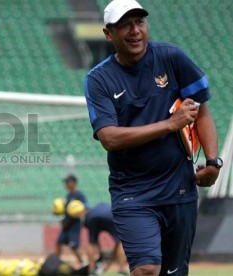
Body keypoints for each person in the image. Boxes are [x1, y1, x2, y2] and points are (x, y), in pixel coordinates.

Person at [84, 0, 222, 275]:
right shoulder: (99, 79)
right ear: (108, 34)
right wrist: (170, 124)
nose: (135, 30)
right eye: (125, 25)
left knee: (174, 273)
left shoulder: (172, 57)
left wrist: (212, 162)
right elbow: (109, 138)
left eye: (140, 22)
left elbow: (202, 112)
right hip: (133, 193)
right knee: (147, 269)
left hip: (179, 189)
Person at [84, 203, 127, 275]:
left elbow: (94, 241)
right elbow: (118, 242)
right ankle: (122, 269)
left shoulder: (91, 211)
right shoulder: (109, 209)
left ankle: (91, 268)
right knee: (121, 242)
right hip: (111, 217)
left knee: (91, 242)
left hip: (92, 217)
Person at [56, 174, 88, 266]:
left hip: (74, 225)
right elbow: (68, 210)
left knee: (73, 246)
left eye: (67, 182)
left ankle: (83, 264)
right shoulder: (68, 195)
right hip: (67, 224)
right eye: (65, 182)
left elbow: (86, 209)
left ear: (73, 183)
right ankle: (56, 262)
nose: (66, 184)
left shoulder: (79, 195)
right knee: (59, 243)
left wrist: (79, 214)